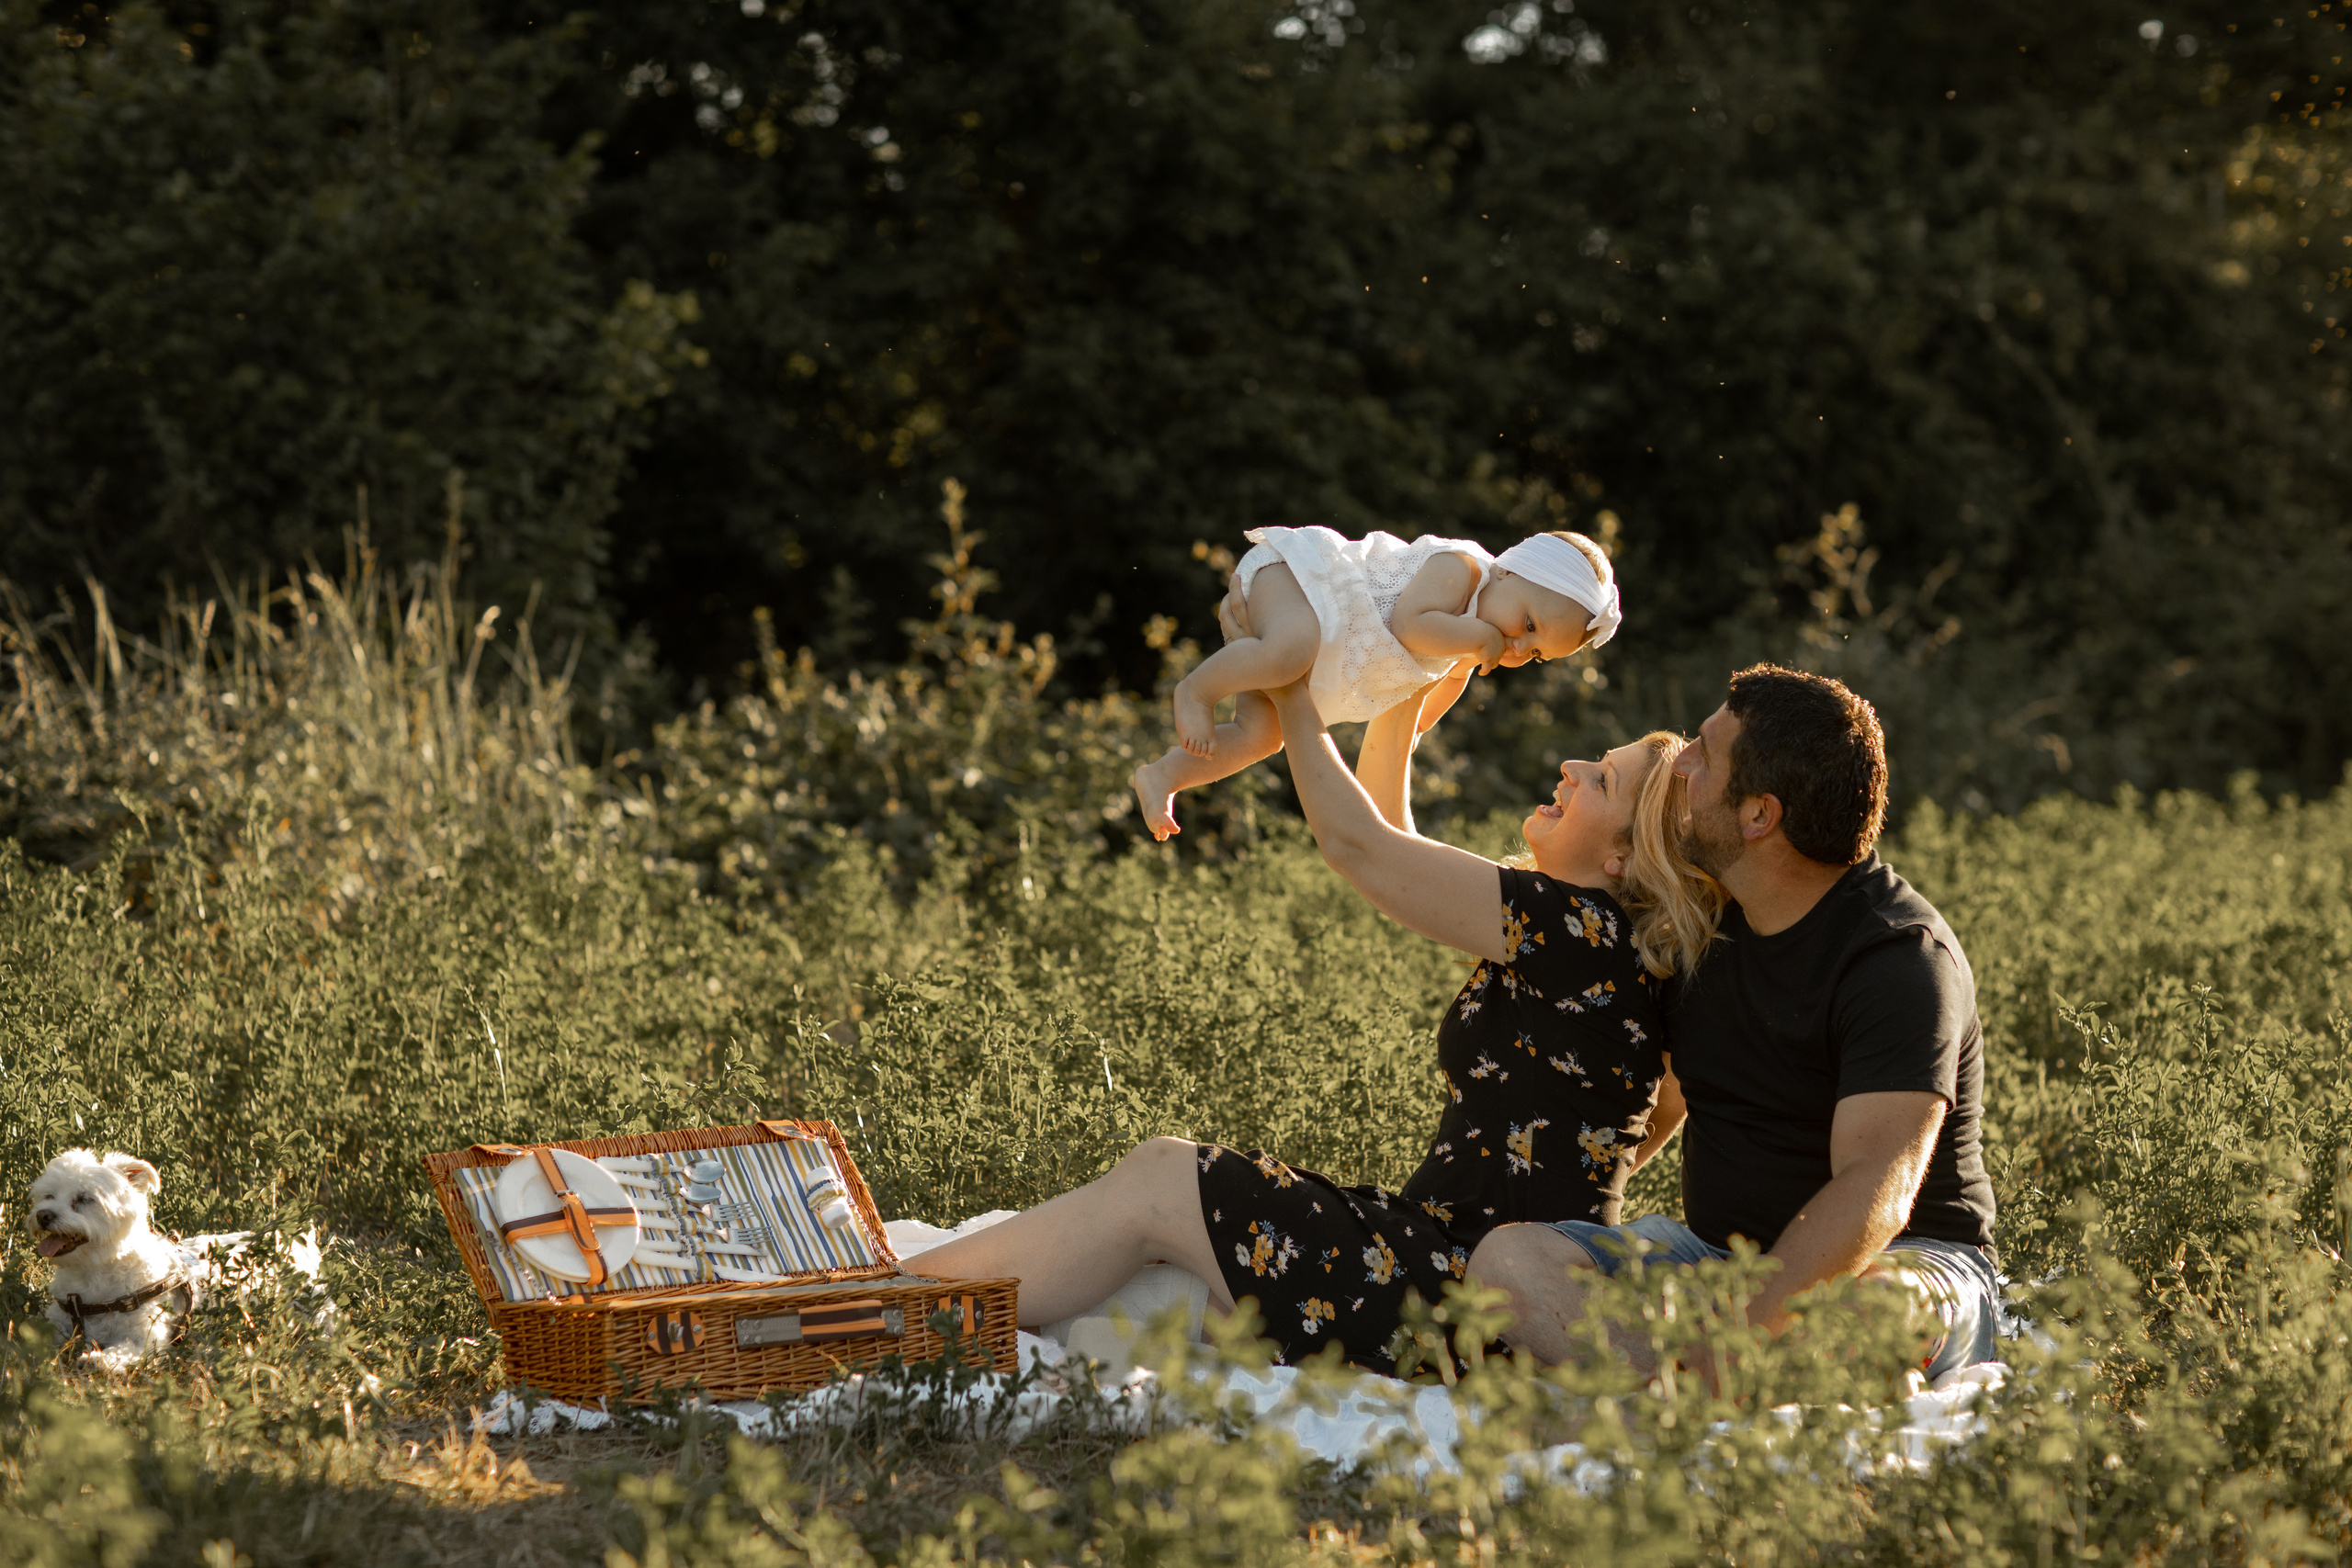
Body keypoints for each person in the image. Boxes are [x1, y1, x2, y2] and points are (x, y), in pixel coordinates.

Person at [922, 678, 1721, 1375]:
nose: (1571, 769)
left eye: (1601, 780)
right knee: (1143, 1275)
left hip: (1463, 1285)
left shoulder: (1579, 929)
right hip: (1447, 1260)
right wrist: (1403, 703)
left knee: (1166, 1180)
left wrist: (1296, 695)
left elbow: (1361, 847)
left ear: (1624, 856)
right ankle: (897, 1304)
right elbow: (1395, 841)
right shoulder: (1601, 944)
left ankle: (885, 1298)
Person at [1466, 665, 2002, 1384]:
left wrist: (1743, 1337)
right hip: (1717, 1261)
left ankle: (1686, 1388)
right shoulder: (1708, 929)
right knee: (1510, 1262)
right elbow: (1664, 1103)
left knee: (1872, 1314)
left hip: (1898, 1261)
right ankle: (1682, 1401)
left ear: (1759, 815)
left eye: (1705, 755)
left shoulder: (1898, 958)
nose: (1679, 763)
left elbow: (1878, 1187)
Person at [1131, 525, 1622, 841]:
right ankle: (1195, 691)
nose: (1516, 644)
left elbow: (1435, 696)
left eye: (1534, 653)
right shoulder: (1463, 568)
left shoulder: (1468, 645)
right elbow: (1410, 624)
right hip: (1302, 582)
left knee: (1263, 735)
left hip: (1309, 632)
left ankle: (1164, 776)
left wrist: (1421, 724)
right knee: (1290, 651)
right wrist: (1476, 635)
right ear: (1510, 570)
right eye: (1529, 624)